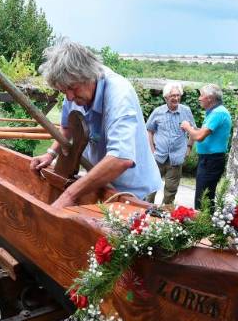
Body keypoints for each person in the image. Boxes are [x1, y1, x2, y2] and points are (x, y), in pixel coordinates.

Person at [30, 39, 161, 208]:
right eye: (63, 91)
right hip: (101, 183)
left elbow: (121, 158)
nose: (69, 97)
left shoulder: (119, 94)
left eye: (72, 88)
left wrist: (69, 194)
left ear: (88, 75)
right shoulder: (74, 87)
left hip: (133, 191)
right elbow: (67, 127)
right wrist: (50, 154)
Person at [180, 84, 232, 209]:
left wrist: (187, 127)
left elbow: (199, 137)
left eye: (201, 95)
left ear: (210, 98)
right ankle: (205, 223)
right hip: (209, 160)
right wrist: (194, 130)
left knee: (203, 199)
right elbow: (203, 133)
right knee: (205, 196)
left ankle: (203, 225)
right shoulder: (215, 112)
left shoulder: (218, 113)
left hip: (211, 160)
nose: (199, 98)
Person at [145, 82, 196, 205]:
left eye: (178, 95)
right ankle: (145, 212)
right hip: (158, 157)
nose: (176, 98)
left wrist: (188, 148)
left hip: (176, 158)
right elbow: (149, 131)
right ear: (166, 97)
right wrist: (152, 151)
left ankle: (164, 216)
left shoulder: (186, 111)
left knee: (171, 191)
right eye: (173, 95)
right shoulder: (158, 111)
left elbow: (193, 130)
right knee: (150, 188)